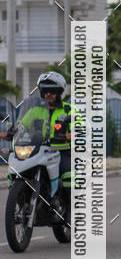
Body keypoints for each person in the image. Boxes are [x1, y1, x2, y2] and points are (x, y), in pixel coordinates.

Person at [0, 72, 72, 209]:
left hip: (61, 152)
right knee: (15, 168)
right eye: (45, 91)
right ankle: (19, 201)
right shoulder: (35, 111)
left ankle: (69, 210)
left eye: (52, 91)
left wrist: (73, 134)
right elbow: (22, 125)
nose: (48, 94)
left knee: (69, 174)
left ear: (59, 92)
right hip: (39, 149)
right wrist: (9, 133)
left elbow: (80, 125)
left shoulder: (68, 110)